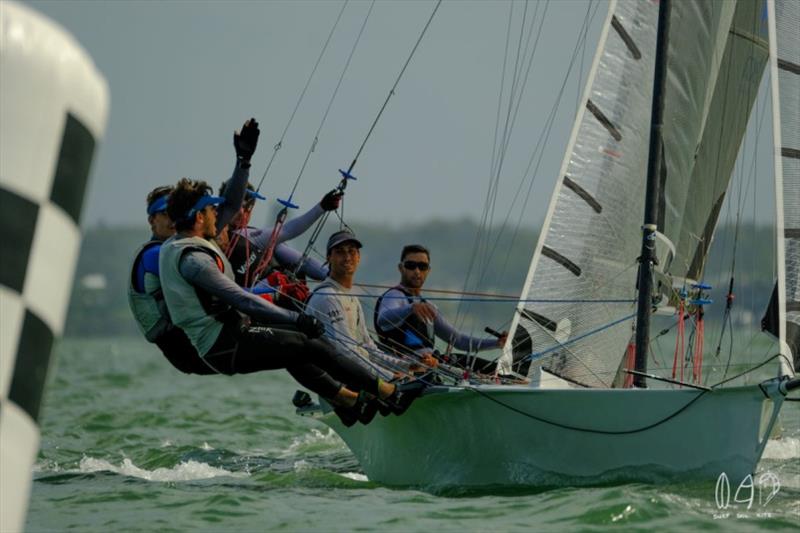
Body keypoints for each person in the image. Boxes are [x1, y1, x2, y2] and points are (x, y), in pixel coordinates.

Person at [158, 179, 413, 425]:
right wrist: (295, 317)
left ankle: (349, 401)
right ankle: (389, 393)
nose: (219, 213)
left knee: (296, 346)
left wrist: (243, 159)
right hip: (225, 343)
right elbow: (241, 298)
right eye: (211, 209)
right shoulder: (194, 260)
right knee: (305, 342)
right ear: (199, 217)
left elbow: (239, 206)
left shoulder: (195, 239)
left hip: (232, 333)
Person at [126, 118, 256, 374]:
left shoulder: (186, 240)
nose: (173, 218)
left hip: (206, 336)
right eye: (165, 212)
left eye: (176, 210)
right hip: (185, 348)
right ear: (152, 220)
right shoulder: (158, 254)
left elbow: (229, 206)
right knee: (292, 337)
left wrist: (243, 161)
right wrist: (263, 293)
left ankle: (343, 392)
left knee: (295, 337)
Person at [305, 230, 432, 375]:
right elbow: (347, 353)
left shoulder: (351, 298)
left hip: (359, 378)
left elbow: (369, 350)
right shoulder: (328, 297)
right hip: (342, 385)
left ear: (358, 257)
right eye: (340, 252)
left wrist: (408, 366)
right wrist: (389, 377)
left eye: (352, 252)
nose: (347, 257)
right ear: (329, 258)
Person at [374, 244, 507, 373]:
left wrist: (497, 343)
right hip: (408, 369)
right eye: (410, 266)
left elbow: (459, 341)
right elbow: (383, 319)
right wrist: (411, 308)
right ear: (401, 268)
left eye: (422, 266)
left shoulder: (428, 306)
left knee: (499, 372)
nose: (417, 271)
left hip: (433, 364)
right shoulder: (394, 296)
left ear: (428, 270)